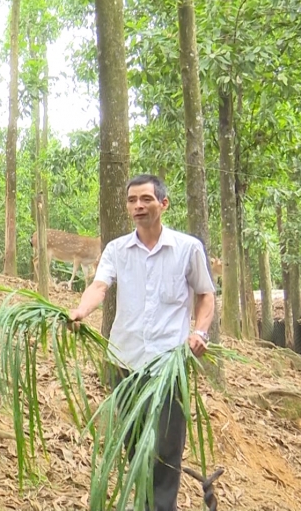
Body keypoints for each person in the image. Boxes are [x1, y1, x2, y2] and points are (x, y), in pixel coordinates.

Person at [68, 173, 216, 511]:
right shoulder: (117, 250)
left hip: (169, 368)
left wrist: (200, 332)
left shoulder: (187, 248)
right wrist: (80, 311)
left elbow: (206, 296)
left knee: (165, 451)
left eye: (146, 199)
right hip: (126, 364)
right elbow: (99, 287)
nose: (138, 206)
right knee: (134, 446)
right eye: (132, 200)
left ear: (163, 204)